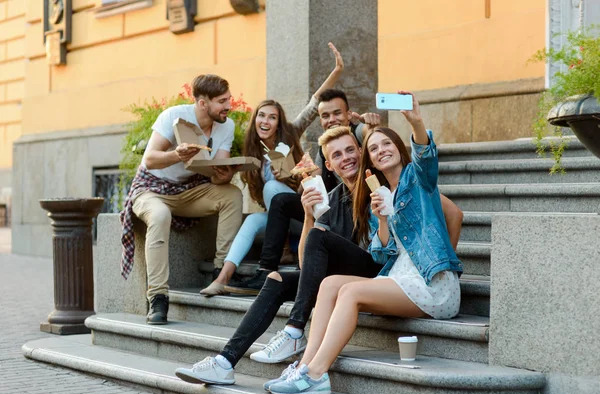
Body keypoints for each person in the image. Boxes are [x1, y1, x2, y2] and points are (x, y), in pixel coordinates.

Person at [174, 125, 462, 387]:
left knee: (325, 258)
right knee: (277, 277)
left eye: (351, 150)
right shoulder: (333, 198)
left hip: (382, 271)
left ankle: (296, 332)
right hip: (356, 273)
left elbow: (451, 212)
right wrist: (310, 216)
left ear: (362, 155)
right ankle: (226, 361)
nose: (346, 158)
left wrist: (433, 261)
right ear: (329, 164)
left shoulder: (386, 185)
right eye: (337, 155)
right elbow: (306, 263)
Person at [267, 93, 464, 394]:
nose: (381, 150)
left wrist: (416, 122)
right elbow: (382, 253)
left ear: (400, 148)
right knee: (331, 283)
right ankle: (302, 367)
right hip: (399, 277)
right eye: (374, 148)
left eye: (387, 144)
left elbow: (426, 156)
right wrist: (382, 219)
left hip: (432, 284)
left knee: (352, 291)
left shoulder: (419, 180)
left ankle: (317, 374)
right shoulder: (379, 194)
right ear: (369, 160)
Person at [225, 88, 463, 295]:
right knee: (280, 269)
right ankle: (249, 277)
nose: (331, 120)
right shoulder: (324, 152)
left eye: (337, 113)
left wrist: (442, 261)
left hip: (370, 256)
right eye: (325, 116)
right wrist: (307, 197)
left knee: (318, 257)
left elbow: (452, 212)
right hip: (337, 222)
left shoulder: (394, 175)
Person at [199, 43, 345, 296]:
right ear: (256, 119)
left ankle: (284, 252)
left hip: (304, 214)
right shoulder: (252, 154)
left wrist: (337, 70)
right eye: (261, 116)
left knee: (274, 186)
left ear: (279, 123)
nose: (265, 121)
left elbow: (314, 103)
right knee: (254, 220)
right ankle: (222, 278)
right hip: (278, 219)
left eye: (272, 117)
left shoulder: (290, 135)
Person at [120, 74, 243, 325]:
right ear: (202, 103)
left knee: (232, 194)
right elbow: (151, 159)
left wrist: (224, 174)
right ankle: (158, 297)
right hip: (151, 189)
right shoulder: (173, 117)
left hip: (191, 190)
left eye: (228, 99)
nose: (228, 106)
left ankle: (221, 271)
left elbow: (215, 172)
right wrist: (177, 154)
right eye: (221, 101)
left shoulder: (226, 126)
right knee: (160, 215)